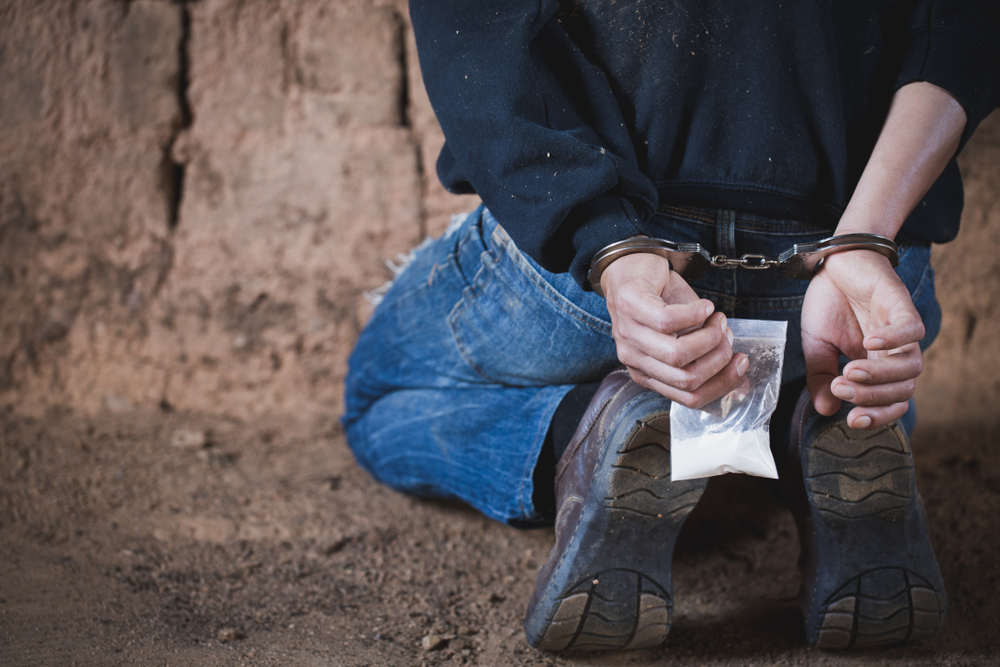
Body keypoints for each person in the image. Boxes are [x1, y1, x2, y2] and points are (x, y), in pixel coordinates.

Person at [342, 0, 1000, 651]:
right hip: (843, 278)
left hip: (625, 261)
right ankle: (816, 422)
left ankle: (584, 436)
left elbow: (475, 26)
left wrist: (609, 244)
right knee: (852, 391)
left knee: (379, 393)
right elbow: (965, 22)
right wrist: (864, 241)